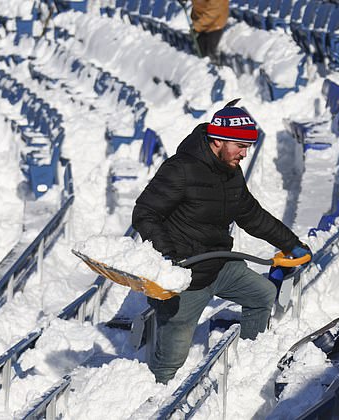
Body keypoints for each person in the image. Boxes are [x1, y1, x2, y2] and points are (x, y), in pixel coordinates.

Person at [132, 100, 311, 384]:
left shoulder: (230, 171)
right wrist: (166, 257)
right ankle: (157, 402)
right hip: (185, 275)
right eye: (240, 146)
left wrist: (291, 243)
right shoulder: (181, 169)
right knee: (170, 363)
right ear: (218, 139)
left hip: (218, 264)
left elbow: (250, 214)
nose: (245, 153)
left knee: (262, 294)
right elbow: (145, 213)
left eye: (248, 147)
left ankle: (247, 367)